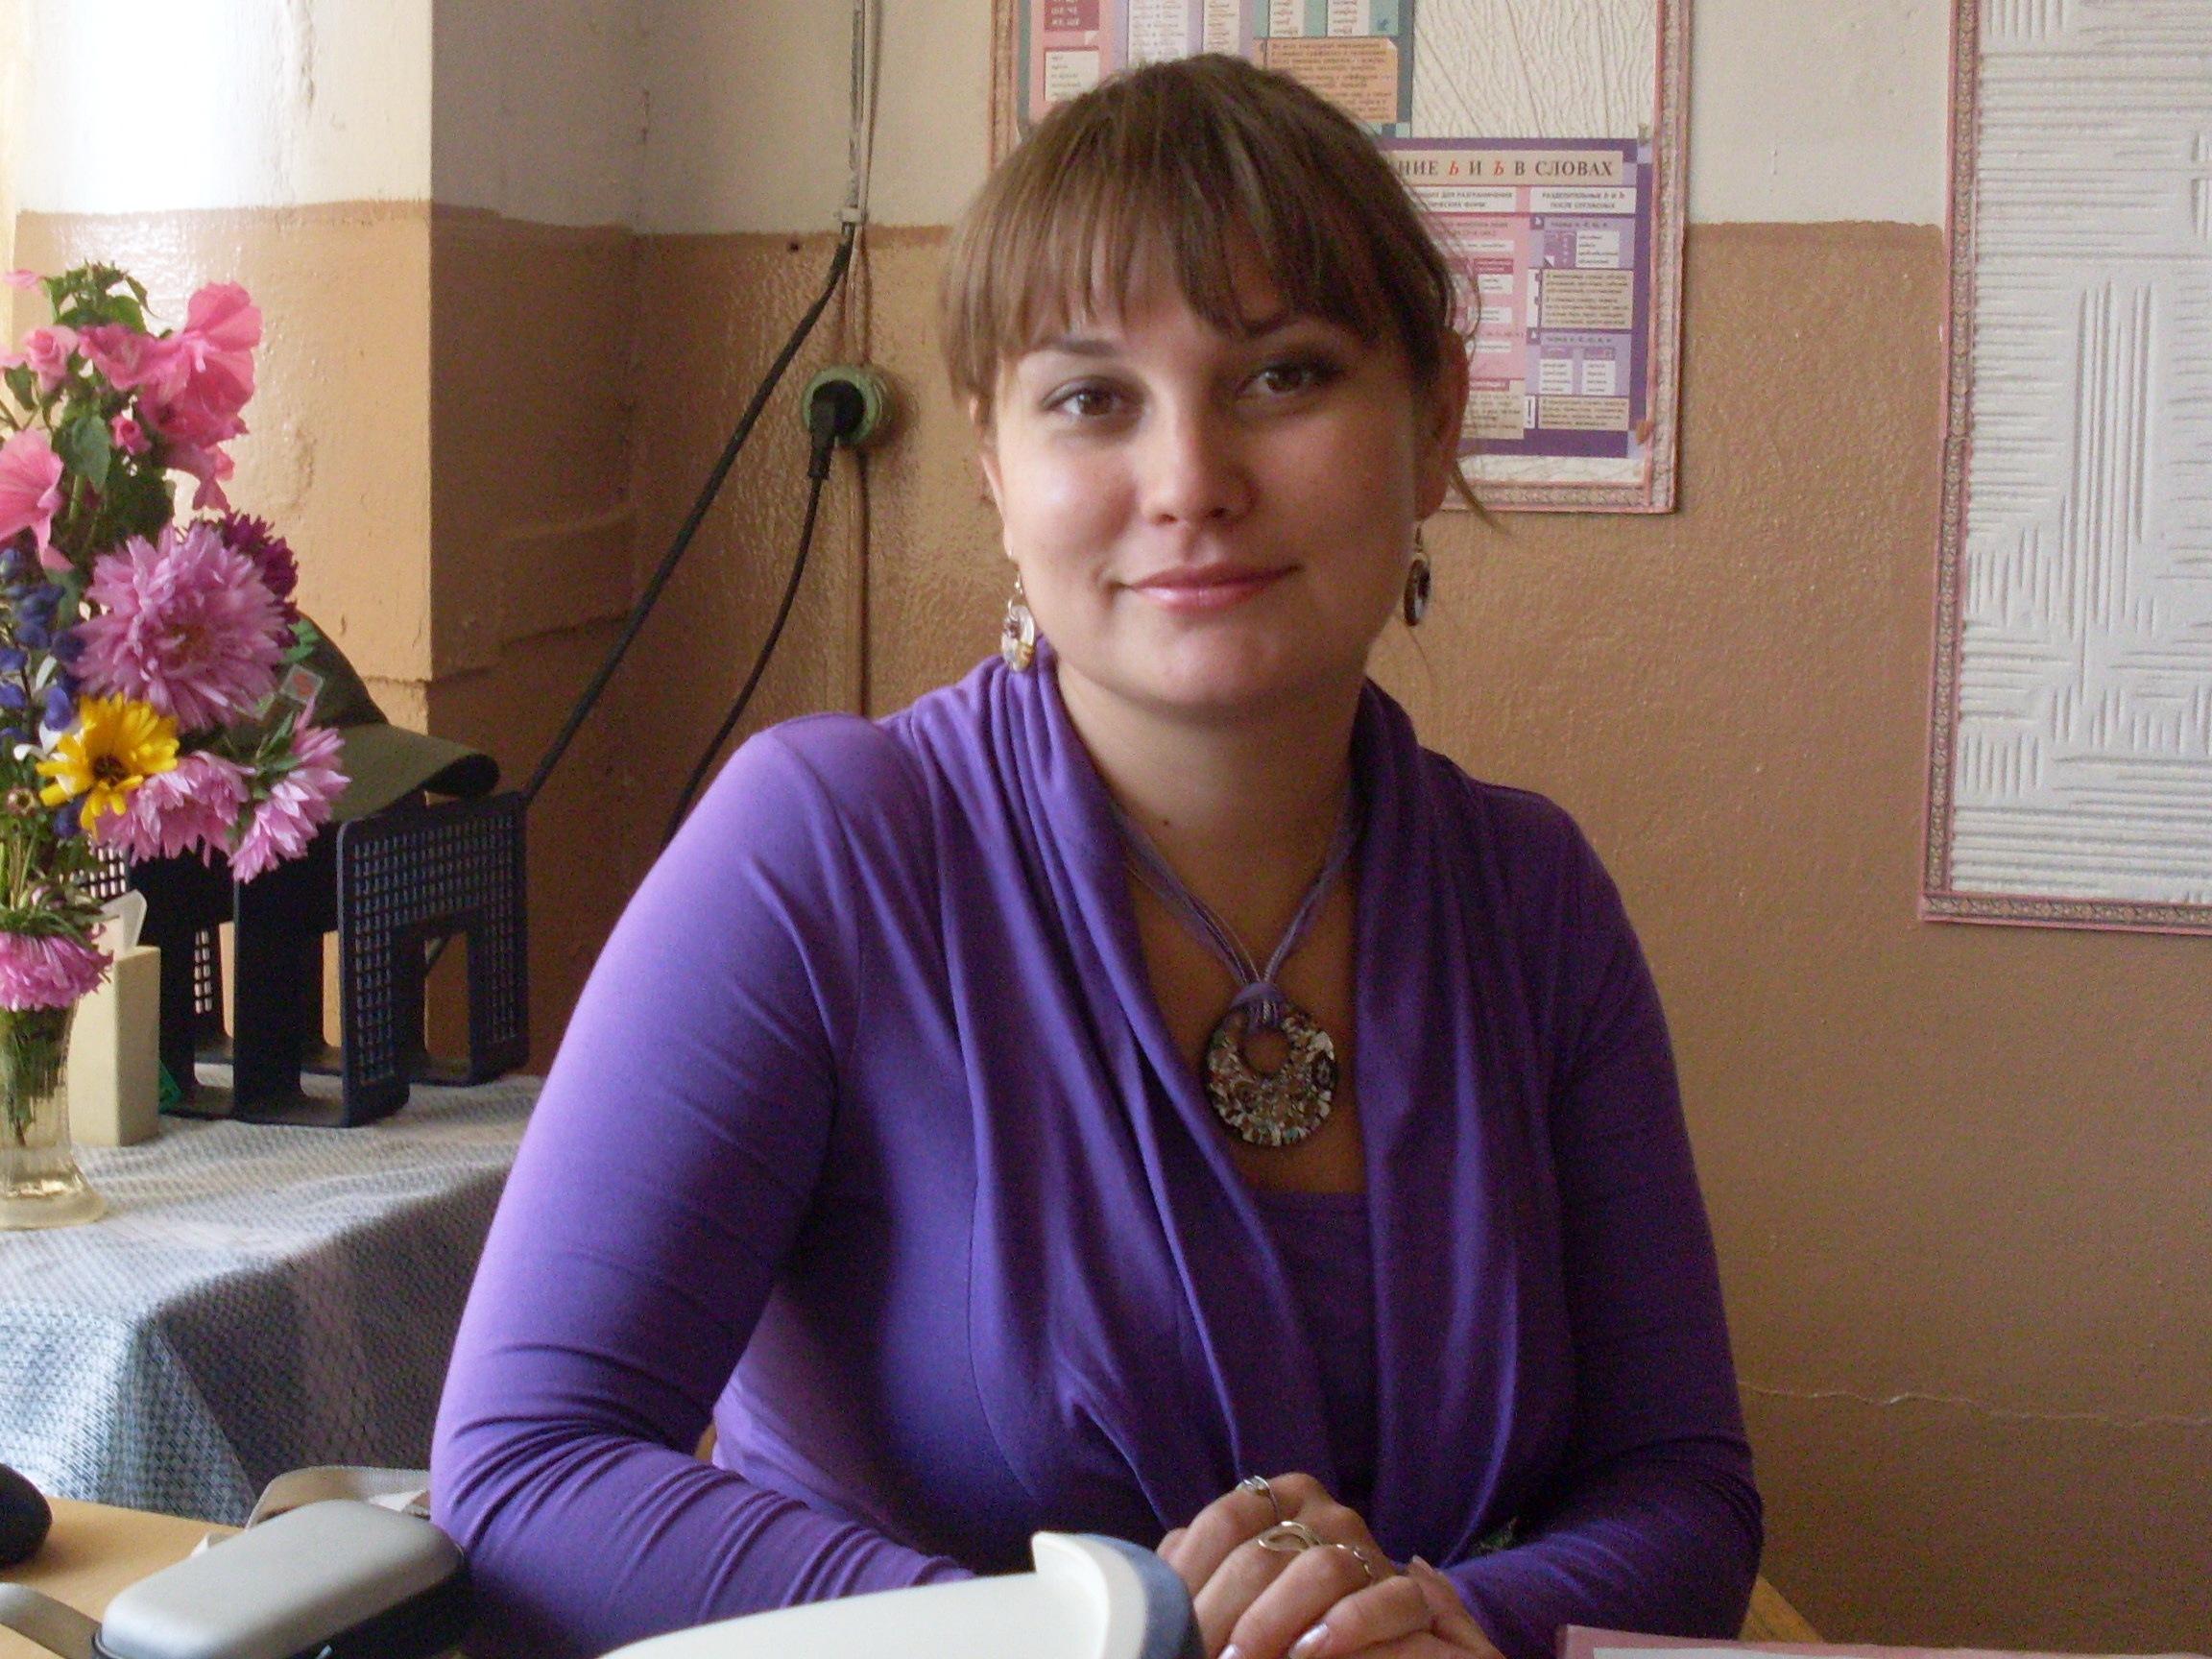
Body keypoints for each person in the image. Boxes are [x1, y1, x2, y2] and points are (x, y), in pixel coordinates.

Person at [432, 53, 1760, 1659]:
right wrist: (1084, 1640)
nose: (1192, 482)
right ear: (998, 472)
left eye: (1284, 375)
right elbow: (525, 1474)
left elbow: (1682, 1493)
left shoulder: (1532, 897)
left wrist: (1443, 1622)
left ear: (1432, 429)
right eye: (1091, 399)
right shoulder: (821, 852)